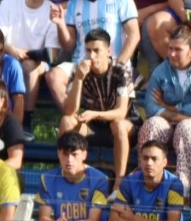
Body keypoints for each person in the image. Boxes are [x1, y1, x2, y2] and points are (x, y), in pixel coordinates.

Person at [140, 26, 191, 194]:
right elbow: (150, 106)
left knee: (187, 129)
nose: (171, 54)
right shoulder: (161, 70)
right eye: (170, 48)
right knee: (152, 125)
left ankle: (184, 192)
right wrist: (178, 116)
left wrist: (168, 106)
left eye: (177, 50)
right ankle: (148, 185)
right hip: (170, 125)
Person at [58, 29, 139, 192]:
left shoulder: (120, 70)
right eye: (88, 50)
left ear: (108, 51)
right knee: (67, 122)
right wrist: (79, 79)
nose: (91, 56)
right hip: (94, 127)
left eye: (96, 50)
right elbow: (69, 110)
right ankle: (67, 177)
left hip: (125, 126)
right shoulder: (79, 69)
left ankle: (118, 185)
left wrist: (95, 114)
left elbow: (121, 112)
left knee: (118, 125)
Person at [46, 0, 139, 111]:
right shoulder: (74, 3)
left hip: (112, 66)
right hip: (82, 65)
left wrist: (117, 67)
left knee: (118, 120)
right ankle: (73, 118)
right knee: (53, 76)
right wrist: (60, 25)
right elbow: (68, 45)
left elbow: (134, 35)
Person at [103, 140, 186, 221]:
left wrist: (132, 218)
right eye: (145, 158)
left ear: (164, 162)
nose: (149, 163)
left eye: (154, 159)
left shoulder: (174, 184)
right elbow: (113, 220)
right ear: (140, 160)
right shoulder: (129, 181)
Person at [0, 0, 60, 122]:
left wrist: (26, 54)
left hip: (37, 62)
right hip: (7, 55)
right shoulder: (8, 3)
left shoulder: (53, 11)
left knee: (29, 66)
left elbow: (50, 53)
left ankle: (26, 120)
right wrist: (11, 49)